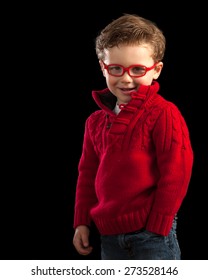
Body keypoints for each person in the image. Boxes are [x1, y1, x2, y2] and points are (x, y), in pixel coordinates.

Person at [72, 13, 194, 260]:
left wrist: (159, 223)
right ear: (103, 67)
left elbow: (177, 171)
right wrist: (82, 222)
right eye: (115, 68)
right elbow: (87, 175)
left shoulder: (163, 113)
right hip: (109, 234)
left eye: (137, 69)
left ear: (156, 70)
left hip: (152, 234)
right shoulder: (95, 122)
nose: (126, 78)